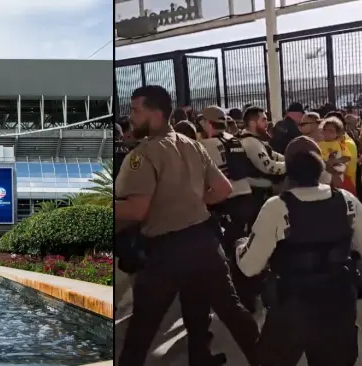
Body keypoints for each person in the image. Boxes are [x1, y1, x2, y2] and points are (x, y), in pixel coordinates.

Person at [116, 85, 259, 366]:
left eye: (135, 110)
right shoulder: (191, 144)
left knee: (142, 327)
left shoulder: (141, 156)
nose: (130, 117)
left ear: (156, 114)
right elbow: (222, 188)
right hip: (204, 243)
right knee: (227, 310)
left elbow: (136, 209)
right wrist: (192, 205)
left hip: (165, 252)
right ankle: (241, 358)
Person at [235, 136, 362, 366]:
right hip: (338, 306)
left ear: (288, 174)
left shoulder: (276, 207)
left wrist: (241, 245)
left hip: (292, 309)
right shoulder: (346, 201)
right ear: (321, 169)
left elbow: (249, 267)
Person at [200, 106, 258, 312]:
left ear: (207, 123)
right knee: (244, 246)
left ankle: (240, 300)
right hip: (246, 198)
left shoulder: (205, 145)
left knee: (229, 254)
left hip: (226, 202)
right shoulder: (234, 140)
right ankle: (251, 293)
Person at [239, 106, 286, 227]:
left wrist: (290, 159)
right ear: (252, 123)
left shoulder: (256, 140)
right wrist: (291, 165)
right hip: (259, 194)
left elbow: (275, 156)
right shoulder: (251, 142)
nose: (267, 123)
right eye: (263, 120)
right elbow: (269, 167)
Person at [318, 117, 356, 195]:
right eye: (325, 130)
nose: (327, 133)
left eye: (331, 131)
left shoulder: (340, 144)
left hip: (338, 168)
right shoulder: (318, 145)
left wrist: (336, 161)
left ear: (337, 133)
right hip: (325, 170)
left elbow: (347, 157)